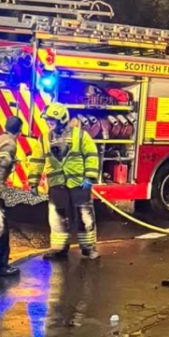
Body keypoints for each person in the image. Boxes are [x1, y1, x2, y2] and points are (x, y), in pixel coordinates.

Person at [28, 103, 100, 260]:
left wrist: (89, 177)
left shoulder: (80, 135)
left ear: (62, 120)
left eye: (52, 121)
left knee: (84, 216)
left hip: (78, 183)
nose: (49, 124)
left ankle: (88, 248)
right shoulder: (44, 138)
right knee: (58, 217)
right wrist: (33, 182)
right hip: (57, 183)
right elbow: (37, 160)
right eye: (48, 121)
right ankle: (59, 248)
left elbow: (91, 155)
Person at [0, 116, 24, 277]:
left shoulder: (2, 138)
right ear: (20, 131)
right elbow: (2, 164)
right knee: (2, 230)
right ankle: (2, 266)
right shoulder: (10, 143)